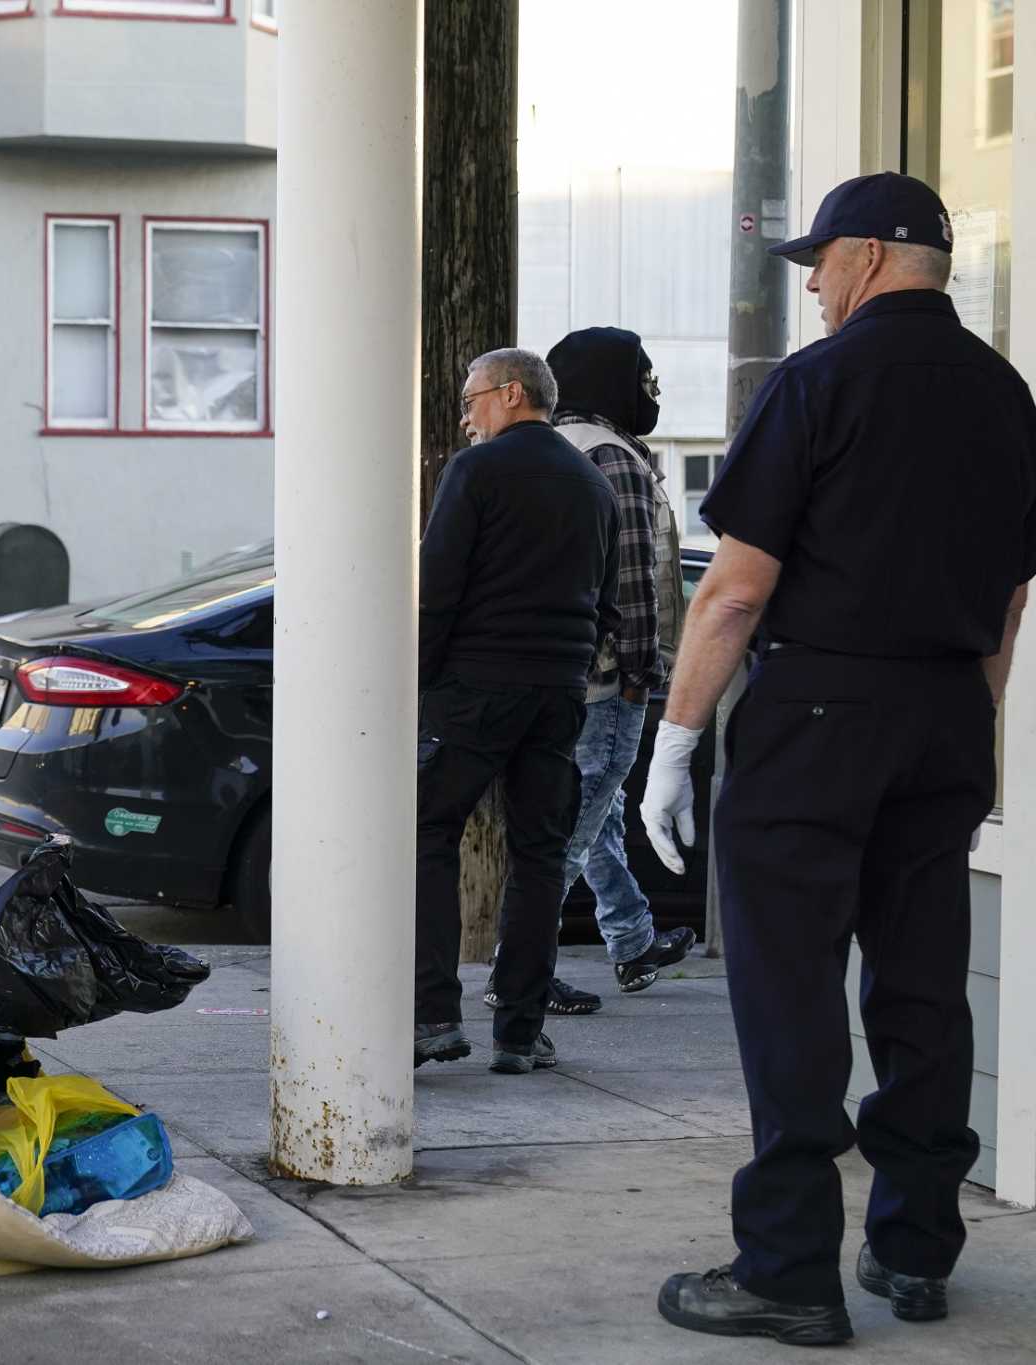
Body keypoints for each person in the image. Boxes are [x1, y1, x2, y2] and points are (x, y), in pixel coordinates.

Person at [644, 173, 1036, 1346]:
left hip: (817, 710)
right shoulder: (1005, 393)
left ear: (869, 257)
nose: (810, 283)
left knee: (788, 989)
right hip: (944, 708)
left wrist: (671, 745)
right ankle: (913, 1251)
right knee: (921, 986)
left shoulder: (816, 382)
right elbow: (1009, 595)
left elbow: (732, 592)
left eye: (819, 261)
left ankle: (786, 1268)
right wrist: (973, 721)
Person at [415, 348, 620, 1075]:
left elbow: (438, 585)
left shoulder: (476, 471)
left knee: (426, 833)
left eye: (471, 398)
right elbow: (606, 597)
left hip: (475, 687)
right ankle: (519, 1028)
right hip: (558, 692)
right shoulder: (593, 484)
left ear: (509, 393)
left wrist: (420, 678)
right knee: (539, 853)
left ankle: (433, 1013)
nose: (465, 415)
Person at [483, 328, 695, 1018]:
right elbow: (633, 579)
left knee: (584, 812)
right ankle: (519, 974)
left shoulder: (525, 450)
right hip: (604, 679)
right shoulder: (617, 459)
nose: (652, 391)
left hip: (534, 671)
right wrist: (641, 672)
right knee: (573, 824)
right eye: (644, 377)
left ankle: (631, 941)